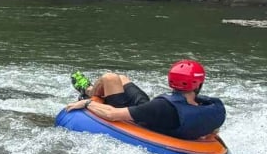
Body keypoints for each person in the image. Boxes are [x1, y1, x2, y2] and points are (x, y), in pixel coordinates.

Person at [65, 60, 226, 140]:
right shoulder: (214, 107)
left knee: (110, 78)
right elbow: (212, 131)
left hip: (141, 120)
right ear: (199, 83)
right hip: (151, 113)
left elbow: (112, 115)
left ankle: (88, 90)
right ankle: (91, 89)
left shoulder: (162, 107)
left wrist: (88, 103)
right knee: (121, 78)